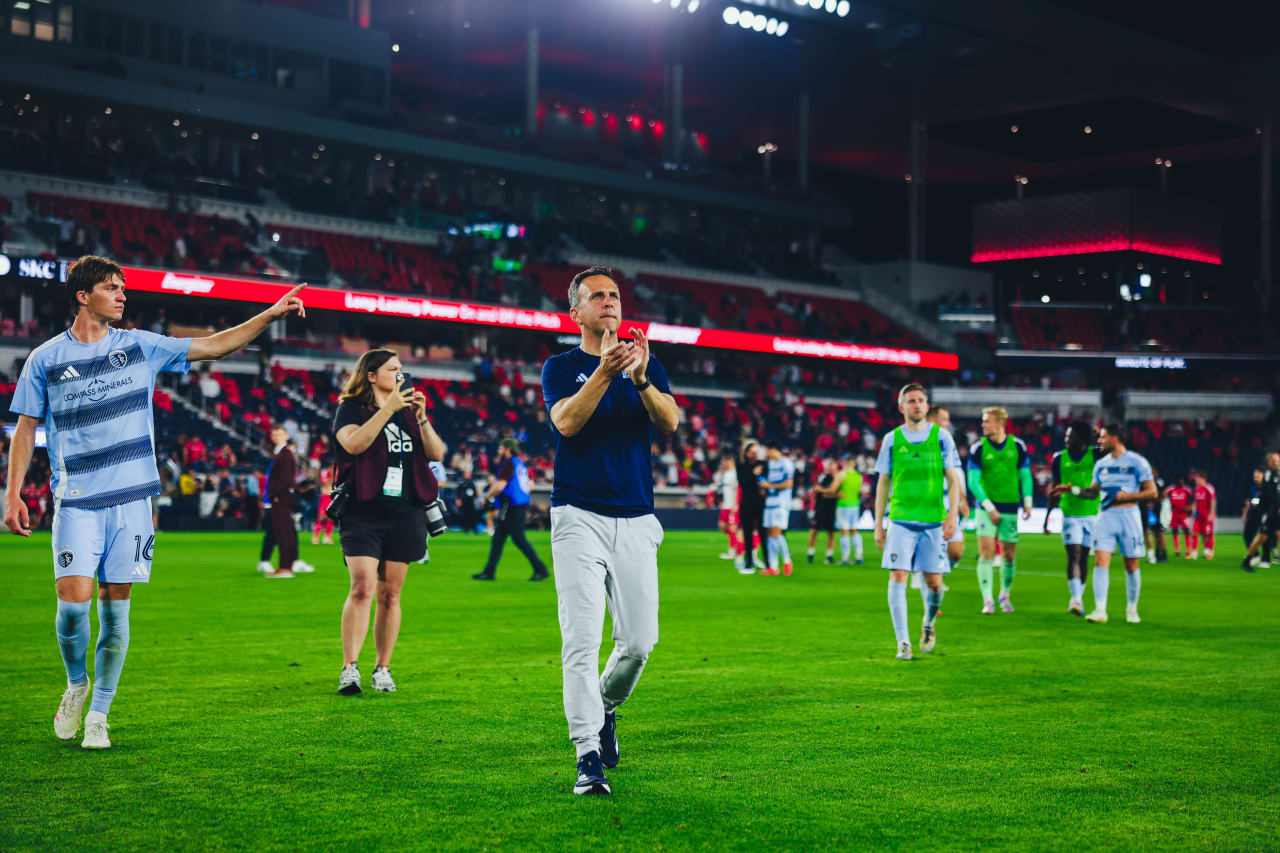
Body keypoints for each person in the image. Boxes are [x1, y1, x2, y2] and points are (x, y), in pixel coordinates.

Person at [4, 255, 306, 749]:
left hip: (132, 504)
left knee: (116, 614)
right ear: (82, 296)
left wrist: (270, 315)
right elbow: (25, 427)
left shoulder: (140, 346)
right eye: (111, 287)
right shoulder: (45, 358)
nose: (122, 295)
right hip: (77, 501)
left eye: (123, 287)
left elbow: (215, 345)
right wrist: (13, 492)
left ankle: (99, 713)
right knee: (73, 609)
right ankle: (76, 684)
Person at [541, 266, 680, 796]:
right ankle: (587, 756)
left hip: (637, 516)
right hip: (578, 515)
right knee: (581, 641)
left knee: (640, 642)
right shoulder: (561, 366)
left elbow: (669, 422)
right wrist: (604, 371)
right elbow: (567, 423)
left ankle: (605, 708)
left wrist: (640, 377)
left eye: (614, 294)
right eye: (596, 296)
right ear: (575, 312)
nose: (609, 301)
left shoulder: (647, 363)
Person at [332, 349, 446, 696]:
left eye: (401, 369)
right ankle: (350, 667)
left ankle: (382, 667)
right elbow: (354, 444)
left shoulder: (408, 411)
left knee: (391, 594)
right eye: (392, 368)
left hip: (405, 512)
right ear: (370, 375)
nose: (399, 374)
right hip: (363, 511)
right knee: (362, 587)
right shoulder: (351, 408)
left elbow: (436, 453)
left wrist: (422, 419)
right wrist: (388, 409)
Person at [872, 384, 964, 661]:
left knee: (934, 583)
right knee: (897, 575)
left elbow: (953, 479)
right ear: (902, 407)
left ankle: (929, 623)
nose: (917, 405)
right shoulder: (891, 439)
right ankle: (903, 642)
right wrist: (878, 524)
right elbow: (883, 482)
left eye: (921, 400)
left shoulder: (941, 437)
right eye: (911, 400)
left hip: (933, 520)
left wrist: (952, 515)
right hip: (901, 519)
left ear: (926, 406)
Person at [1057, 424, 1157, 624]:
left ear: (1115, 438)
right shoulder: (1101, 464)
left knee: (1131, 565)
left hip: (1129, 517)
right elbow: (1093, 492)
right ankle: (1100, 610)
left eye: (1103, 437)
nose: (1099, 441)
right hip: (1105, 517)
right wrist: (1073, 490)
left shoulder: (1137, 462)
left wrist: (1129, 497)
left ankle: (1131, 609)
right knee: (1100, 562)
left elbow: (1152, 492)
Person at [967, 406, 1032, 614]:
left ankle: (1005, 595)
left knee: (1009, 555)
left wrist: (1028, 501)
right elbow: (973, 482)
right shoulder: (978, 448)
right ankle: (987, 600)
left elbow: (1025, 475)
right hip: (986, 508)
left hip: (1010, 507)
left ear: (1000, 422)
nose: (983, 425)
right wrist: (989, 507)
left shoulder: (1018, 446)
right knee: (986, 553)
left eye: (987, 421)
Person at [472, 439, 550, 581]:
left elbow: (500, 485)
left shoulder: (508, 463)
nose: (499, 450)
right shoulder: (521, 463)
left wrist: (486, 497)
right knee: (498, 539)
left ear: (507, 449)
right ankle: (489, 572)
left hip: (511, 506)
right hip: (517, 505)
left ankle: (541, 569)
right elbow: (530, 485)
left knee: (519, 539)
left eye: (501, 448)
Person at [1044, 421, 1101, 616]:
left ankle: (1078, 597)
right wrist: (1047, 517)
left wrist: (1098, 434)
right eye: (1067, 436)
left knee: (1084, 557)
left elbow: (1114, 446)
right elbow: (1055, 489)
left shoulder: (1095, 455)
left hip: (1092, 513)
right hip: (1070, 515)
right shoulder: (1059, 459)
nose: (1067, 440)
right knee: (1074, 554)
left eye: (1072, 437)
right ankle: (1075, 599)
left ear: (1082, 439)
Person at [264, 425, 312, 578]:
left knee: (283, 533)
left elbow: (285, 479)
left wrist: (276, 495)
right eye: (274, 434)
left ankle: (285, 567)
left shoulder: (284, 454)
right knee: (287, 532)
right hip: (284, 498)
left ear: (286, 436)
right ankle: (287, 564)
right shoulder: (282, 453)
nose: (276, 437)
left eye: (279, 434)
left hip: (282, 499)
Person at [760, 443, 796, 576]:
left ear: (773, 449)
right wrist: (765, 489)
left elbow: (789, 484)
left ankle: (787, 561)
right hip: (770, 502)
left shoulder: (786, 463)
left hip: (781, 503)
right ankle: (773, 566)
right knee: (769, 533)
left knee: (777, 533)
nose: (766, 454)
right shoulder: (770, 464)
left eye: (767, 451)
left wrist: (770, 486)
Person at [1242, 452, 1280, 571]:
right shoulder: (1268, 475)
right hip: (1269, 512)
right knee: (1261, 538)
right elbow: (1269, 495)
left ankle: (1268, 558)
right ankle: (1247, 561)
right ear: (1270, 462)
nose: (1278, 462)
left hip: (1276, 512)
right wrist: (1275, 508)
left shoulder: (1277, 474)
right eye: (1276, 460)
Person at [735, 440, 766, 574]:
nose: (754, 455)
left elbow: (765, 482)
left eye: (756, 452)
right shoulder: (741, 466)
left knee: (763, 534)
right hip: (746, 504)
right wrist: (754, 474)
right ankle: (749, 563)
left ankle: (768, 563)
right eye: (752, 452)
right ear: (747, 453)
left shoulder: (763, 465)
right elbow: (742, 483)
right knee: (747, 535)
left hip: (760, 503)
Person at [834, 456, 865, 566]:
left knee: (844, 531)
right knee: (855, 530)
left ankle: (845, 558)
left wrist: (834, 493)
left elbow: (833, 489)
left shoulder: (842, 474)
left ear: (845, 463)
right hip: (855, 505)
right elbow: (860, 491)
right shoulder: (859, 476)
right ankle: (859, 556)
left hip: (843, 505)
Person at [807, 458, 839, 564]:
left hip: (832, 509)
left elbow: (837, 493)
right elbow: (818, 491)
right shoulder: (823, 478)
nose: (832, 470)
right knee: (814, 531)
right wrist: (830, 493)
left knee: (831, 533)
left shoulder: (838, 479)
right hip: (820, 508)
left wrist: (824, 491)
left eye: (833, 469)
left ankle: (829, 555)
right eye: (830, 468)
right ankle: (810, 553)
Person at [713, 455, 742, 562]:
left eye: (724, 462)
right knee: (722, 526)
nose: (723, 464)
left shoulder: (735, 474)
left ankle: (732, 552)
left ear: (729, 461)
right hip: (726, 505)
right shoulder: (726, 473)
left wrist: (736, 504)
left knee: (732, 528)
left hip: (732, 505)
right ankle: (738, 541)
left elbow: (738, 489)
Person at [1141, 466, 1168, 564]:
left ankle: (1162, 554)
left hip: (1157, 512)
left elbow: (1164, 494)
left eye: (1153, 471)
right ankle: (1151, 554)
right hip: (1145, 511)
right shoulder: (1143, 482)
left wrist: (1155, 503)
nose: (1152, 473)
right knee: (1146, 532)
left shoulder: (1159, 482)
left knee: (1159, 533)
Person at [1188, 471, 1217, 560]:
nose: (1195, 480)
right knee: (1194, 533)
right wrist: (1194, 510)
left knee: (1208, 534)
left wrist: (1211, 514)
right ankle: (1194, 552)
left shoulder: (1209, 488)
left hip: (1207, 515)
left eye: (1197, 478)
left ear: (1202, 478)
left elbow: (1213, 501)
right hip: (1198, 516)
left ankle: (1209, 552)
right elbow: (1195, 501)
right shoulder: (1196, 489)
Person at [1165, 475, 1193, 557]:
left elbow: (1193, 499)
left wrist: (1190, 507)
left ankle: (1188, 549)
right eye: (1179, 481)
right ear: (1176, 482)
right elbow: (1163, 496)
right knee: (1175, 531)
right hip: (1174, 513)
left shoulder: (1187, 489)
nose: (1181, 483)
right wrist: (1167, 507)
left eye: (1182, 481)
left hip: (1183, 514)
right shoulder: (1170, 489)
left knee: (1186, 531)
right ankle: (1177, 550)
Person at [312, 466, 334, 545]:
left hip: (332, 498)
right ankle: (315, 537)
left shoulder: (336, 474)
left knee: (330, 518)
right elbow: (325, 484)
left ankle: (327, 538)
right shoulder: (324, 474)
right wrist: (332, 477)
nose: (332, 469)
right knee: (321, 517)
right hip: (325, 497)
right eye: (331, 467)